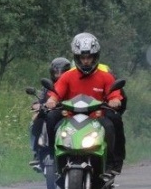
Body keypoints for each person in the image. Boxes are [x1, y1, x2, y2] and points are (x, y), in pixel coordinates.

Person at [43, 33, 125, 174]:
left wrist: (114, 100)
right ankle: (54, 158)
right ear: (77, 57)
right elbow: (56, 93)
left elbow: (114, 94)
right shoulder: (67, 76)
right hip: (69, 116)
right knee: (50, 118)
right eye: (83, 57)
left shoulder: (105, 76)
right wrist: (51, 101)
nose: (86, 61)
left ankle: (113, 162)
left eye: (89, 57)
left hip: (97, 117)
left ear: (95, 57)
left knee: (115, 121)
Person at [29, 57, 72, 167]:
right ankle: (37, 151)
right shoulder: (47, 85)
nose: (58, 75)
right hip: (51, 112)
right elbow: (41, 98)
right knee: (37, 121)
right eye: (56, 72)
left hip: (69, 112)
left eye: (62, 72)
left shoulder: (72, 84)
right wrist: (37, 104)